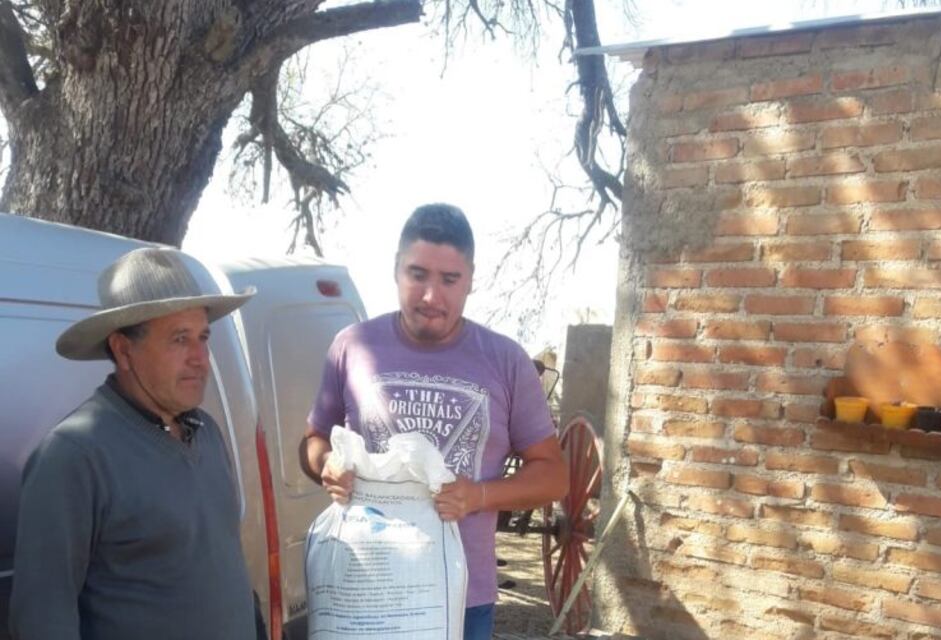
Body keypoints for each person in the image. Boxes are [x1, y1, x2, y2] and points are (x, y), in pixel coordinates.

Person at [300, 203, 569, 639]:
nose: (431, 296)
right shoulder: (351, 346)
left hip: (460, 600)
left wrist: (478, 495)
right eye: (418, 274)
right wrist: (327, 463)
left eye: (449, 280)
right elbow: (312, 439)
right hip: (363, 588)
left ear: (471, 279)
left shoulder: (506, 361)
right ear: (396, 270)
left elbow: (554, 476)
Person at [10, 247, 259, 640]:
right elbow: (41, 619)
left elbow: (223, 564)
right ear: (123, 350)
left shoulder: (206, 432)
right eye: (180, 339)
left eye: (203, 337)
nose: (201, 358)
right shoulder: (74, 456)